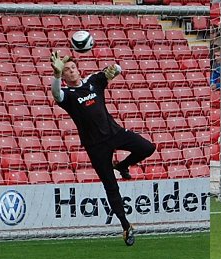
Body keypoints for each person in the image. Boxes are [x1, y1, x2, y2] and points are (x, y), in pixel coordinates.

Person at [50, 51, 156, 246]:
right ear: (63, 76)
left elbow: (117, 69)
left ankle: (122, 166)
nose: (71, 71)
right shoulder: (68, 95)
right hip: (95, 146)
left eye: (72, 68)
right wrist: (56, 75)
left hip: (115, 133)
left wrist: (114, 69)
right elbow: (56, 94)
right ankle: (126, 226)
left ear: (78, 69)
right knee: (110, 186)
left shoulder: (93, 82)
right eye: (66, 70)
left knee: (147, 147)